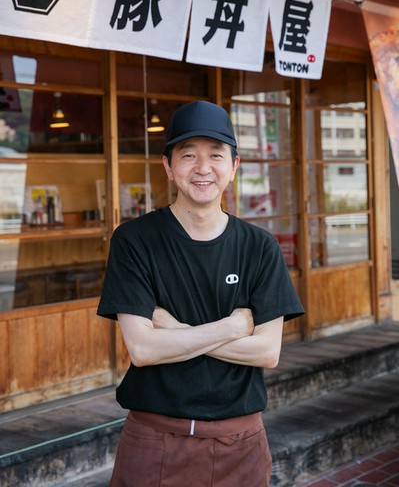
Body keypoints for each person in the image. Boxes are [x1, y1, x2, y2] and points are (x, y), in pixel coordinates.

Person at [97, 100, 304, 487]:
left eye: (215, 155)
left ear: (234, 166)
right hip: (155, 441)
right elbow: (142, 350)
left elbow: (267, 352)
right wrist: (233, 326)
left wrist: (174, 330)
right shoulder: (135, 241)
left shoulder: (259, 247)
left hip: (239, 444)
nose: (203, 168)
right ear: (169, 167)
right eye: (188, 155)